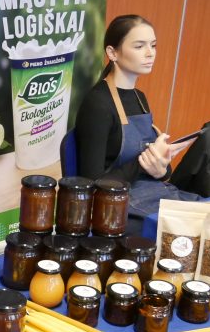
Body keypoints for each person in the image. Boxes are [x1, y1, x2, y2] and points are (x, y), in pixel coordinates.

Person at [73, 15, 200, 231]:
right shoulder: (98, 105)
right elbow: (92, 185)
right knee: (192, 229)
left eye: (153, 45)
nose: (150, 53)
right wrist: (143, 162)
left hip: (151, 192)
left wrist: (161, 167)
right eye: (139, 46)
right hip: (114, 206)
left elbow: (159, 172)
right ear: (112, 53)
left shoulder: (139, 98)